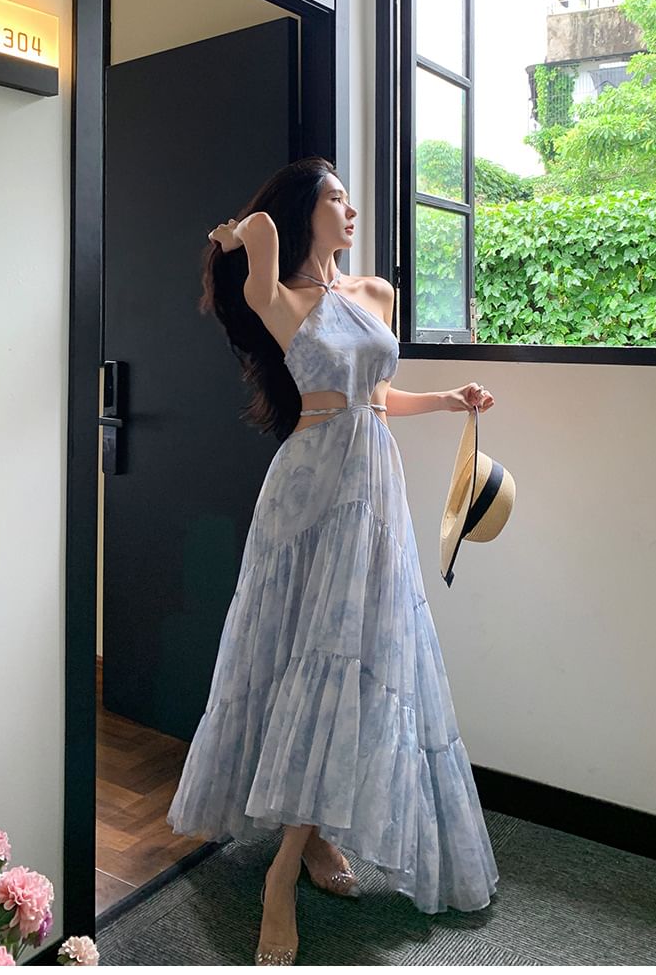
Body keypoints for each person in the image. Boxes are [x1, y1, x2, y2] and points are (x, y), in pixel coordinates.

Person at [166, 156, 498, 965]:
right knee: (304, 657)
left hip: (372, 489)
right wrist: (240, 231)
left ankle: (302, 843)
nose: (351, 210)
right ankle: (287, 866)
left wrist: (448, 400)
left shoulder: (375, 293)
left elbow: (376, 398)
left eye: (350, 198)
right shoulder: (276, 295)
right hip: (308, 490)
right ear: (305, 210)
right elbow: (262, 233)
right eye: (336, 197)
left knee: (356, 658)